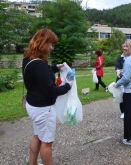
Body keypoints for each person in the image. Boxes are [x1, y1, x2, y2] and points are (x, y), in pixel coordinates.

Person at [22, 28, 72, 165]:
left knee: (38, 136)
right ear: (43, 43)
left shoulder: (29, 58)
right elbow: (50, 90)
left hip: (33, 105)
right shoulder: (39, 64)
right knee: (47, 142)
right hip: (43, 109)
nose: (52, 48)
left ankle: (33, 163)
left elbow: (41, 74)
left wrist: (55, 67)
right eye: (50, 44)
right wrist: (68, 86)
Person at [115, 45, 125, 119]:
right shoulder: (120, 57)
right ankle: (123, 111)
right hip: (121, 79)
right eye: (123, 48)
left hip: (128, 80)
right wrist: (118, 71)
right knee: (121, 96)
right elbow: (117, 67)